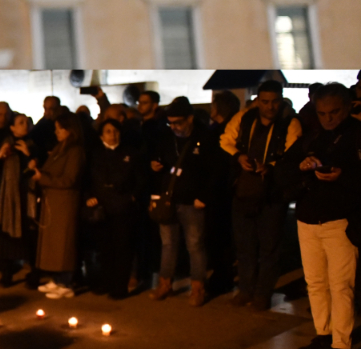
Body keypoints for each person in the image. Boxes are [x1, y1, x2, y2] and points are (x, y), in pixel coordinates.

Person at [279, 83, 361, 349]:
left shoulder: (356, 136)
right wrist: (301, 166)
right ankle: (323, 334)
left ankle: (341, 344)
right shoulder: (311, 136)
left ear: (348, 107)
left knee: (341, 285)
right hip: (308, 218)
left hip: (341, 220)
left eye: (334, 112)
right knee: (315, 282)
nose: (328, 118)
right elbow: (283, 170)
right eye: (322, 112)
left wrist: (343, 176)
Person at [219, 80, 302, 311]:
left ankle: (262, 293)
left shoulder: (290, 123)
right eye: (265, 102)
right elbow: (225, 140)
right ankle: (246, 289)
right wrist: (238, 156)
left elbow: (293, 154)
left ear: (281, 99)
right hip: (244, 190)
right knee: (244, 246)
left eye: (275, 101)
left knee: (269, 247)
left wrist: (272, 166)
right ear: (258, 101)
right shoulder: (245, 118)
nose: (270, 107)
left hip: (272, 194)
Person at [149, 96, 219, 307]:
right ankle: (164, 283)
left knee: (195, 245)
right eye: (170, 122)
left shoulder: (204, 138)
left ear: (190, 118)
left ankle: (198, 287)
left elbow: (214, 172)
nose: (174, 127)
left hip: (193, 201)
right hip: (169, 199)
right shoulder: (166, 137)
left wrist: (204, 196)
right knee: (168, 244)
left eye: (178, 122)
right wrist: (155, 165)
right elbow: (160, 159)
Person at [84, 118, 144, 299]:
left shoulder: (130, 153)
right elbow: (87, 179)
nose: (112, 135)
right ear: (101, 135)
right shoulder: (94, 154)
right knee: (105, 249)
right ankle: (106, 282)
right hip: (102, 208)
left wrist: (132, 197)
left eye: (115, 131)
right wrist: (89, 197)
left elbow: (140, 179)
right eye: (108, 131)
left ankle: (120, 286)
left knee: (123, 248)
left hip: (123, 208)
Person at [0, 113, 42, 288]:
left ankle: (34, 274)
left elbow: (37, 170)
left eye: (27, 122)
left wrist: (28, 155)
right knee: (3, 236)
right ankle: (6, 273)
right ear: (12, 127)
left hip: (26, 197)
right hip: (5, 199)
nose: (25, 125)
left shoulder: (34, 144)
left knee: (29, 237)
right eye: (21, 122)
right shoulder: (4, 144)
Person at [34, 113, 86, 299]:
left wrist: (44, 178)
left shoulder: (75, 151)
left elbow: (69, 179)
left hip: (65, 202)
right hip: (53, 201)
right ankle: (57, 279)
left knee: (64, 243)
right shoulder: (60, 148)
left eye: (59, 129)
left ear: (69, 130)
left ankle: (66, 282)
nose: (56, 132)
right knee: (54, 244)